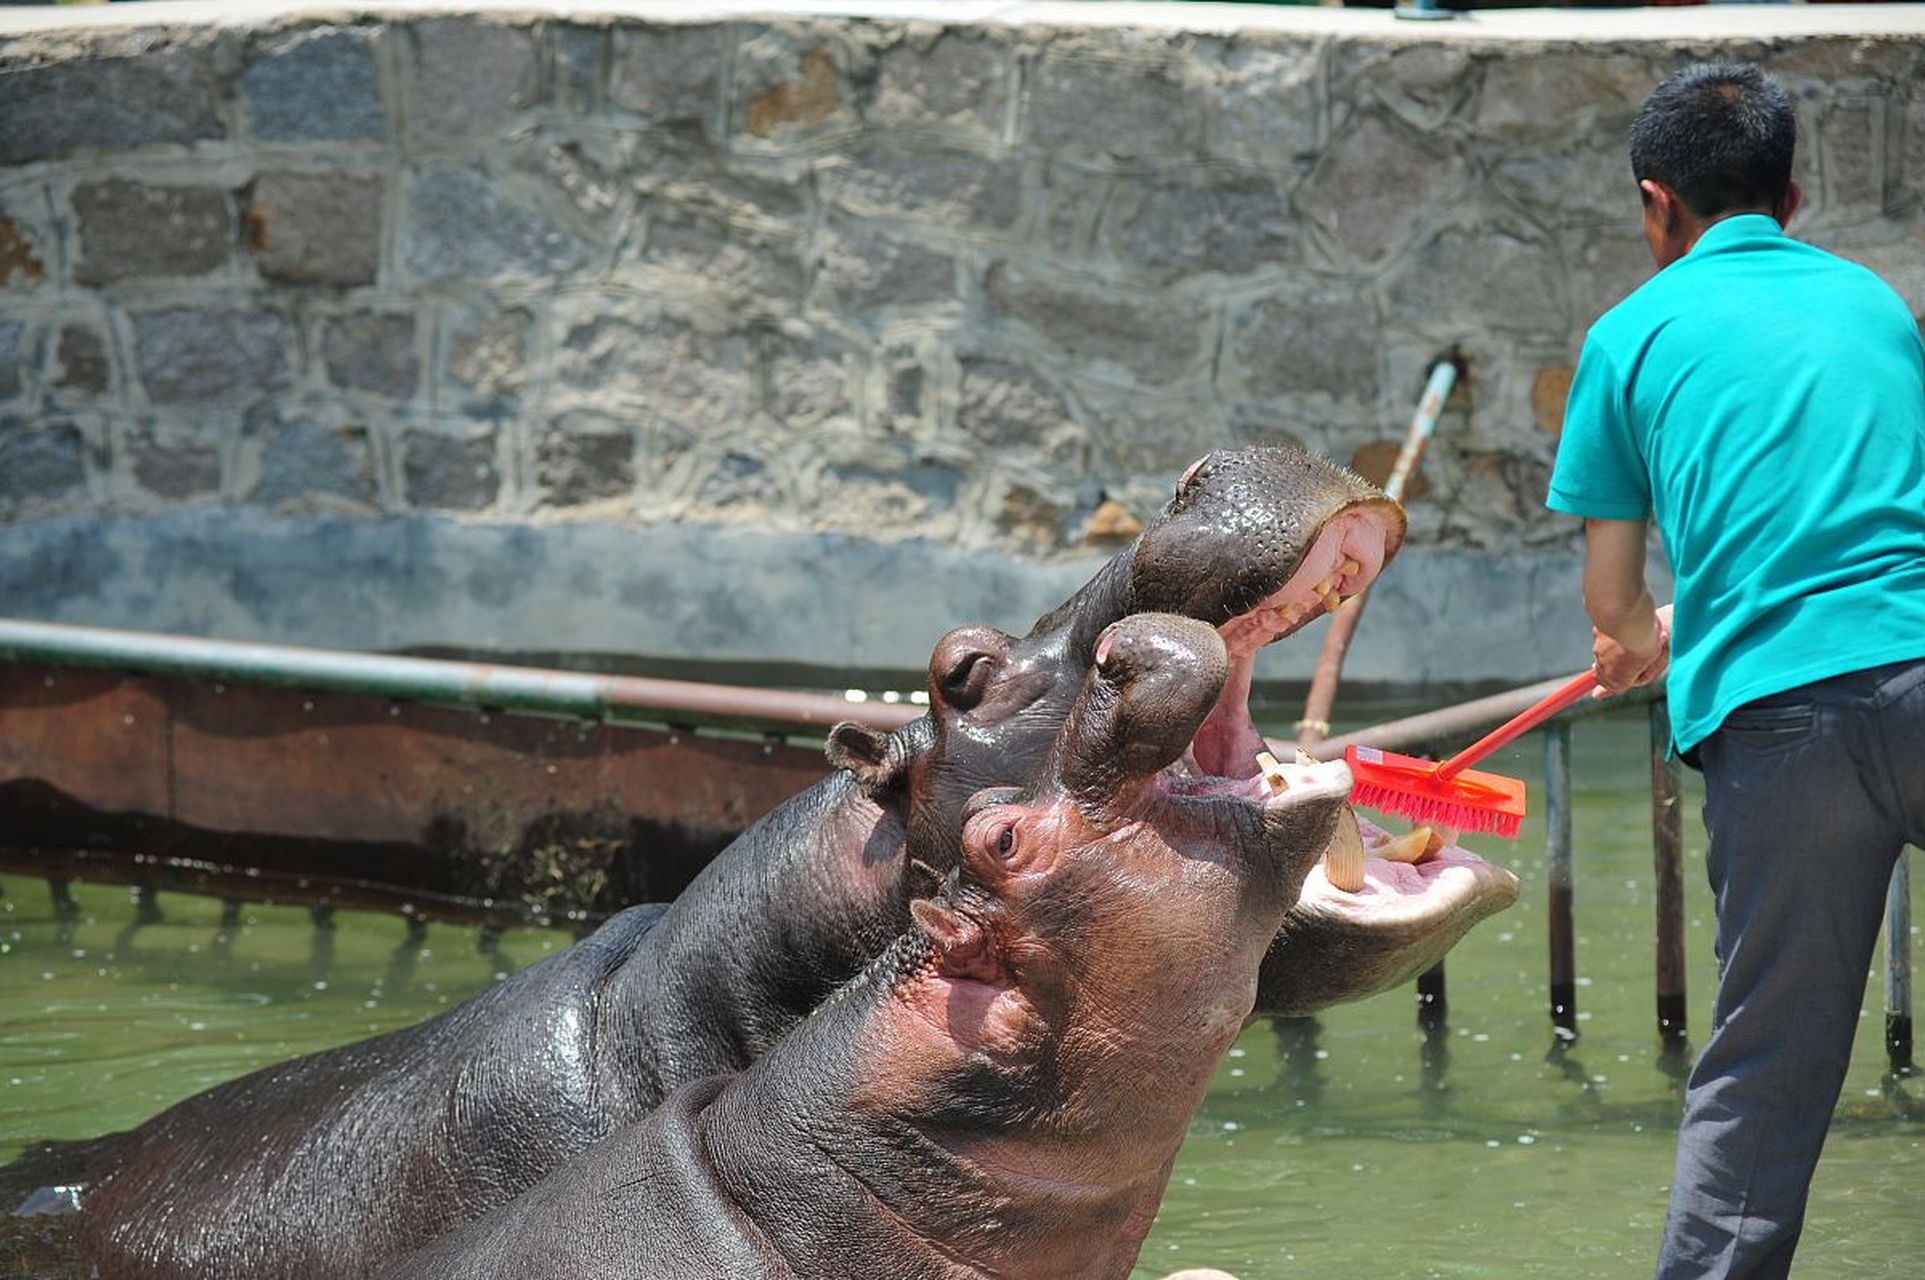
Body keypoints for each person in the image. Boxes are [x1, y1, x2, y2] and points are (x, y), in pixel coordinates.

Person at [1546, 62, 1925, 1279]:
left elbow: (1611, 598)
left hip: (1776, 719)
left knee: (1767, 1058)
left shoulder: (1627, 336)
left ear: (1655, 203)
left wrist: (1635, 642)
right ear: (1794, 192)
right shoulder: (1874, 306)